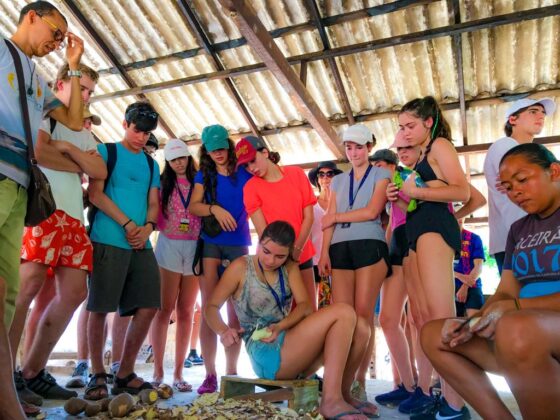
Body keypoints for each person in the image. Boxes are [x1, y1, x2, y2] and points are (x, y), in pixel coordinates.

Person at [421, 143, 560, 420]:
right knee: (435, 335)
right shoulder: (519, 229)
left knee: (515, 327)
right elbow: (506, 291)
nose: (515, 191)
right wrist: (472, 323)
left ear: (554, 172)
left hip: (530, 328)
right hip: (521, 331)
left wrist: (516, 309)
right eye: (507, 187)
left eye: (522, 179)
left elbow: (512, 304)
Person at [1, 2, 85, 417]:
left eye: (61, 39)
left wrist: (73, 66)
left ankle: (6, 391)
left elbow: (73, 119)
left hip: (22, 186)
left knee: (8, 292)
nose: (56, 43)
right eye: (54, 33)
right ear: (31, 16)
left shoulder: (35, 77)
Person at [205, 221, 377, 420]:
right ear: (259, 242)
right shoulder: (241, 267)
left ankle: (343, 395)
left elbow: (304, 306)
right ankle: (330, 400)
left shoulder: (289, 267)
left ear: (288, 253)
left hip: (288, 340)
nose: (271, 260)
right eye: (266, 251)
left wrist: (281, 326)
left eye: (280, 256)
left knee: (362, 327)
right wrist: (223, 331)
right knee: (344, 312)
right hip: (265, 352)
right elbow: (211, 307)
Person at [9, 62, 104, 406]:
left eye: (90, 91)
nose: (86, 96)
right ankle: (7, 376)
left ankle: (32, 371)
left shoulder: (83, 130)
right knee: (27, 286)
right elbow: (38, 151)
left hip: (74, 219)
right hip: (43, 210)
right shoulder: (44, 112)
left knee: (76, 292)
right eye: (82, 87)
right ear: (61, 83)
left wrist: (68, 151)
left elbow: (99, 169)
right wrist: (79, 163)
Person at [386, 96, 471, 418]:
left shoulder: (440, 146)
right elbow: (424, 197)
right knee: (428, 319)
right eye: (401, 127)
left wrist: (417, 192)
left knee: (442, 317)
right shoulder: (423, 155)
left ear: (428, 122)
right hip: (419, 230)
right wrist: (402, 197)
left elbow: (463, 192)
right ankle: (442, 396)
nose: (405, 132)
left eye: (410, 126)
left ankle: (456, 404)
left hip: (435, 228)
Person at [85, 101, 161, 399]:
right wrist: (128, 224)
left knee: (149, 305)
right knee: (99, 307)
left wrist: (148, 227)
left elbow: (153, 203)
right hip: (107, 239)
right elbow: (95, 194)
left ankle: (125, 372)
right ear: (124, 124)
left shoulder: (152, 165)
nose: (141, 137)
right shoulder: (106, 152)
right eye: (137, 130)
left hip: (141, 244)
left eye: (147, 133)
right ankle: (97, 373)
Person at [319, 124, 391, 410]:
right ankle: (339, 387)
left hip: (370, 245)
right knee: (343, 318)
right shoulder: (337, 181)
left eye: (359, 147)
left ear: (370, 147)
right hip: (339, 248)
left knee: (363, 318)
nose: (353, 152)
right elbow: (327, 219)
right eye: (349, 147)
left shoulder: (382, 175)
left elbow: (373, 211)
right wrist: (323, 252)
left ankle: (358, 383)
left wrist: (336, 217)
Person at [188, 124, 252, 394]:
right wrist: (214, 208)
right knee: (209, 308)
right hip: (211, 244)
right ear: (206, 150)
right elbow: (194, 206)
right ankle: (210, 374)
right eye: (212, 149)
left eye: (222, 148)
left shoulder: (244, 171)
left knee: (236, 311)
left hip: (239, 244)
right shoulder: (204, 174)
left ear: (229, 145)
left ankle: (232, 374)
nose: (218, 153)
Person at [235, 136, 318, 310]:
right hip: (273, 260)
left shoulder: (296, 174)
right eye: (246, 166)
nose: (251, 168)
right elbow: (263, 231)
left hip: (302, 254)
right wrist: (281, 257)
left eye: (252, 160)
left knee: (309, 311)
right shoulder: (250, 188)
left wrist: (296, 252)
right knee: (278, 314)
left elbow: (309, 218)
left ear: (265, 152)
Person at [150, 139, 201, 391]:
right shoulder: (162, 183)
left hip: (194, 246)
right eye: (173, 160)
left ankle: (179, 373)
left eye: (182, 158)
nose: (179, 163)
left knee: (186, 311)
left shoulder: (201, 180)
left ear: (189, 158)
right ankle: (158, 371)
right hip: (168, 244)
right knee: (163, 309)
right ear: (167, 162)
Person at [483, 98, 556, 274]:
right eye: (533, 111)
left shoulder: (536, 153)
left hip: (535, 236)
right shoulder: (506, 145)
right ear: (513, 119)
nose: (540, 116)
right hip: (517, 239)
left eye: (543, 113)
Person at [375, 136, 420, 409]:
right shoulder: (386, 188)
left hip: (416, 241)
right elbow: (392, 222)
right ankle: (407, 384)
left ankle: (425, 387)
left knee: (418, 318)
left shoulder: (409, 177)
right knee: (388, 318)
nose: (376, 171)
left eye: (380, 166)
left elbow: (417, 212)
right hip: (395, 246)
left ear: (392, 166)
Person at [308, 161, 342, 306]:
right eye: (321, 174)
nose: (325, 178)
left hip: (338, 259)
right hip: (314, 260)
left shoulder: (342, 204)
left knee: (337, 302)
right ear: (317, 179)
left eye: (330, 174)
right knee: (315, 304)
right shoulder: (310, 205)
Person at [454, 218, 485, 317]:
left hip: (472, 285)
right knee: (451, 321)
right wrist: (460, 276)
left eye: (462, 215)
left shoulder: (474, 238)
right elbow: (440, 270)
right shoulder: (442, 240)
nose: (459, 218)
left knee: (475, 320)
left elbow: (478, 267)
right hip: (449, 286)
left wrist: (465, 286)